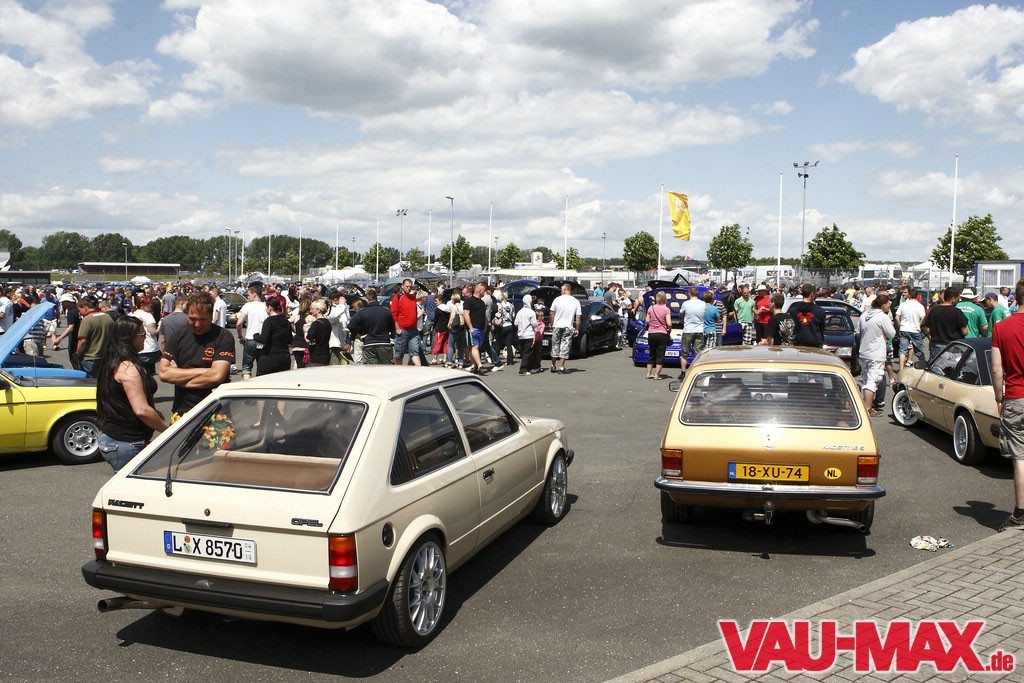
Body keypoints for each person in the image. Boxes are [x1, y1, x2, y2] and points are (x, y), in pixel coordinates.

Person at [96, 316, 169, 472]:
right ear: (128, 338)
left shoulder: (114, 361)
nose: (145, 338)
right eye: (142, 334)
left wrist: (155, 413)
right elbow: (141, 410)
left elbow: (124, 401)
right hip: (126, 442)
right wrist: (169, 431)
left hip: (118, 438)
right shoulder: (128, 368)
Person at [159, 291, 235, 417]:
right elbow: (164, 373)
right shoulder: (177, 336)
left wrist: (179, 379)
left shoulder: (223, 336)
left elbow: (216, 376)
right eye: (192, 319)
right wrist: (206, 371)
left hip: (217, 410)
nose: (197, 325)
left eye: (203, 319)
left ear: (211, 316)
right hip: (183, 410)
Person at [993, 278, 1024, 531]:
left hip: (1016, 397)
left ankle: (1020, 512)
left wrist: (998, 398)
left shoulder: (1002, 327)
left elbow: (996, 369)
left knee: (1020, 457)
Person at [859, 293, 896, 417]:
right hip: (876, 353)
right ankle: (868, 408)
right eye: (888, 303)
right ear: (883, 305)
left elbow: (858, 332)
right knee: (872, 381)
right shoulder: (882, 317)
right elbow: (892, 334)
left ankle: (866, 405)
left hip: (864, 352)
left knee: (866, 380)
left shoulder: (864, 315)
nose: (889, 305)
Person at [347, 287, 395, 365]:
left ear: (367, 300)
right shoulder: (386, 311)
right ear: (376, 298)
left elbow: (351, 326)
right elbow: (392, 328)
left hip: (369, 343)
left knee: (372, 368)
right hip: (384, 342)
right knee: (386, 368)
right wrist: (391, 335)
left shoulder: (363, 312)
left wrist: (357, 335)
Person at [921, 287, 968, 360]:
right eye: (958, 298)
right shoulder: (957, 312)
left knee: (936, 366)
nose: (958, 300)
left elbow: (927, 329)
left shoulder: (934, 310)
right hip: (954, 347)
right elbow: (965, 332)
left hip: (937, 346)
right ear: (953, 298)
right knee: (954, 366)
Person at [235, 284, 268, 380]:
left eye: (249, 294)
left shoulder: (248, 306)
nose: (247, 297)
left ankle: (247, 384)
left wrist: (240, 336)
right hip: (261, 340)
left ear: (254, 294)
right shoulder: (266, 306)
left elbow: (239, 323)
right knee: (261, 365)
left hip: (250, 339)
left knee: (246, 368)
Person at [76, 295, 114, 378]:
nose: (79, 312)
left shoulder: (87, 320)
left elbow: (82, 341)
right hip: (105, 356)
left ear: (85, 307)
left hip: (90, 357)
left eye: (79, 310)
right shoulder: (107, 317)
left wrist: (77, 354)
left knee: (89, 382)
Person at [548, 283, 582, 375]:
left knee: (555, 345)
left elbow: (552, 313)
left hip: (557, 325)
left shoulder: (557, 299)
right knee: (565, 346)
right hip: (568, 326)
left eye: (561, 290)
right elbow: (578, 317)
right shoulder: (575, 301)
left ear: (564, 290)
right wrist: (577, 328)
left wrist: (551, 323)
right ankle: (561, 367)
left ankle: (553, 365)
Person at [253, 297, 291, 375]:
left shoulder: (269, 321)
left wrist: (255, 336)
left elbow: (263, 339)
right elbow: (290, 339)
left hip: (270, 357)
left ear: (270, 307)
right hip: (284, 357)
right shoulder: (286, 321)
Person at [390, 278, 422, 366]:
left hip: (413, 329)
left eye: (410, 287)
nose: (408, 288)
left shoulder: (412, 298)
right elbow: (393, 313)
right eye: (407, 286)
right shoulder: (398, 297)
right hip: (402, 329)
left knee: (415, 352)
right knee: (399, 354)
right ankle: (399, 370)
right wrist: (397, 328)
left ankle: (419, 369)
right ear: (402, 286)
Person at [896, 286, 926, 371]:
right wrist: (919, 325)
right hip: (915, 330)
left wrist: (900, 326)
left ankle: (901, 369)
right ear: (917, 296)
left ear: (909, 295)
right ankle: (923, 368)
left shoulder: (903, 305)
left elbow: (897, 318)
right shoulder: (920, 306)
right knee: (919, 351)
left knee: (902, 351)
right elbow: (923, 319)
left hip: (904, 329)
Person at [462, 283, 490, 375]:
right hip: (472, 328)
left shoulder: (482, 302)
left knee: (475, 348)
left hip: (481, 328)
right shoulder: (469, 301)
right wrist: (471, 328)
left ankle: (474, 366)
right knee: (475, 347)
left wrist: (485, 326)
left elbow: (484, 316)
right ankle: (480, 366)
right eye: (484, 291)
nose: (485, 293)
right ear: (480, 291)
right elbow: (466, 314)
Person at [789, 283, 826, 348]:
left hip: (798, 345)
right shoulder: (820, 311)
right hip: (815, 345)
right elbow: (822, 329)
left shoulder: (793, 311)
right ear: (812, 294)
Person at [679, 286, 706, 377]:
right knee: (698, 353)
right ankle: (698, 372)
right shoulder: (703, 303)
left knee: (684, 353)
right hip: (699, 329)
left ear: (689, 293)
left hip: (688, 330)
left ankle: (683, 373)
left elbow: (681, 314)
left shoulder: (686, 304)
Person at [645, 291, 671, 380]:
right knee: (660, 354)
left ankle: (649, 373)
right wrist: (669, 329)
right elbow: (669, 323)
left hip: (651, 333)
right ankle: (657, 375)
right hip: (662, 333)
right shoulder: (666, 309)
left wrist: (652, 325)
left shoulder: (651, 308)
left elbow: (647, 320)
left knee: (652, 353)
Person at [129, 302, 161, 376]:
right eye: (148, 304)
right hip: (148, 348)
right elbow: (153, 332)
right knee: (148, 374)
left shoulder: (131, 314)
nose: (150, 305)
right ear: (142, 305)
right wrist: (160, 326)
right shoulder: (147, 315)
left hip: (134, 347)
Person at [514, 293, 542, 375]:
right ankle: (523, 369)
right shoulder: (531, 312)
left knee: (523, 352)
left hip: (520, 335)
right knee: (528, 352)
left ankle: (528, 367)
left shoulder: (520, 312)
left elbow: (515, 323)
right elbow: (534, 324)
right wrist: (536, 323)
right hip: (529, 335)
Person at [305, 299, 333, 367]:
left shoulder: (316, 323)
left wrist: (305, 331)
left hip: (316, 355)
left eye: (312, 309)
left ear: (318, 310)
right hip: (325, 354)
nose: (310, 311)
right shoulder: (327, 322)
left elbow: (308, 339)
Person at [493, 289, 517, 368]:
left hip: (501, 326)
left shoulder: (500, 305)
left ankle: (496, 359)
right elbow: (513, 315)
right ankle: (510, 361)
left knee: (498, 343)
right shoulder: (511, 305)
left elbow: (498, 315)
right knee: (509, 344)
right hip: (509, 325)